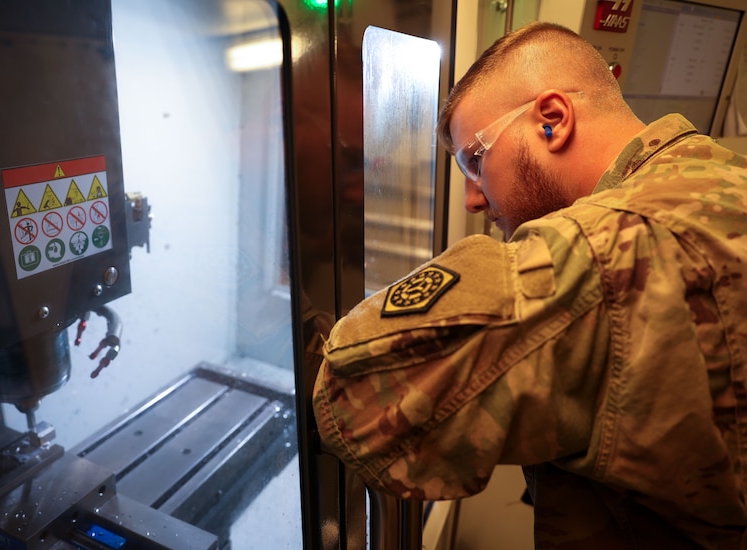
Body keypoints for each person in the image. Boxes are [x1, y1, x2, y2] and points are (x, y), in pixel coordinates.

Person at [312, 21, 747, 548]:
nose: (473, 199)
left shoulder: (603, 252)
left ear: (552, 121)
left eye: (476, 160)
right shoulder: (719, 172)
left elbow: (353, 399)